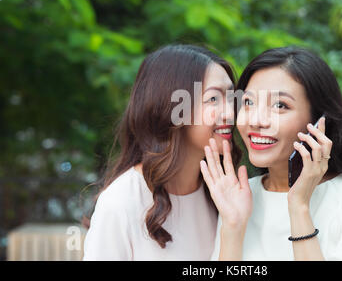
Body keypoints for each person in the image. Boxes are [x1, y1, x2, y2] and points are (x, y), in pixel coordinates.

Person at [200, 47, 342, 261]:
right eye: (248, 102)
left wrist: (299, 206)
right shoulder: (239, 195)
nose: (256, 120)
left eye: (280, 105)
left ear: (318, 121)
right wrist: (232, 226)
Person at [82, 44, 241, 260]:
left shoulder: (227, 195)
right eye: (213, 99)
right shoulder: (121, 202)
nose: (230, 113)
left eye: (232, 97)